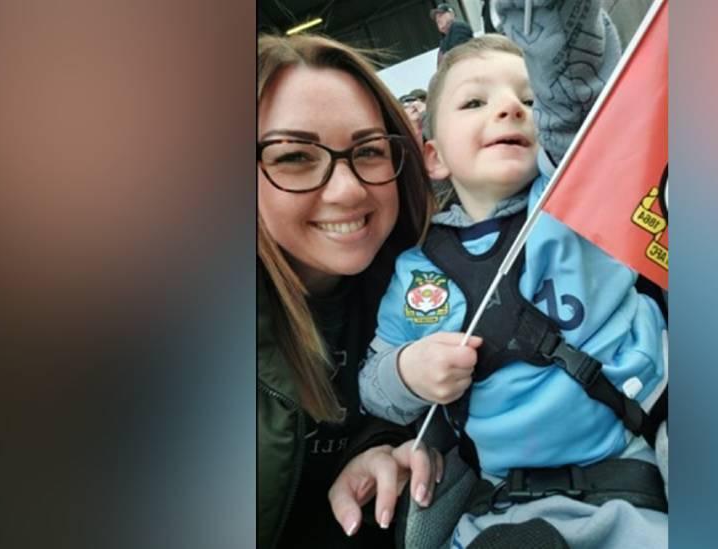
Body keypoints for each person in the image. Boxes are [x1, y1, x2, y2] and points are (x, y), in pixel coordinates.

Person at [359, 1, 668, 547]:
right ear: (433, 156)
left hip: (639, 466)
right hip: (506, 510)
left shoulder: (576, 197)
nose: (509, 108)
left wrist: (555, 21)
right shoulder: (417, 271)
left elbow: (576, 103)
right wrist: (408, 370)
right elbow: (375, 386)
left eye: (528, 98)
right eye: (475, 101)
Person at [257, 33, 444, 548]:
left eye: (368, 151)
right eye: (294, 156)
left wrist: (383, 445)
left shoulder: (433, 282)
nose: (348, 189)